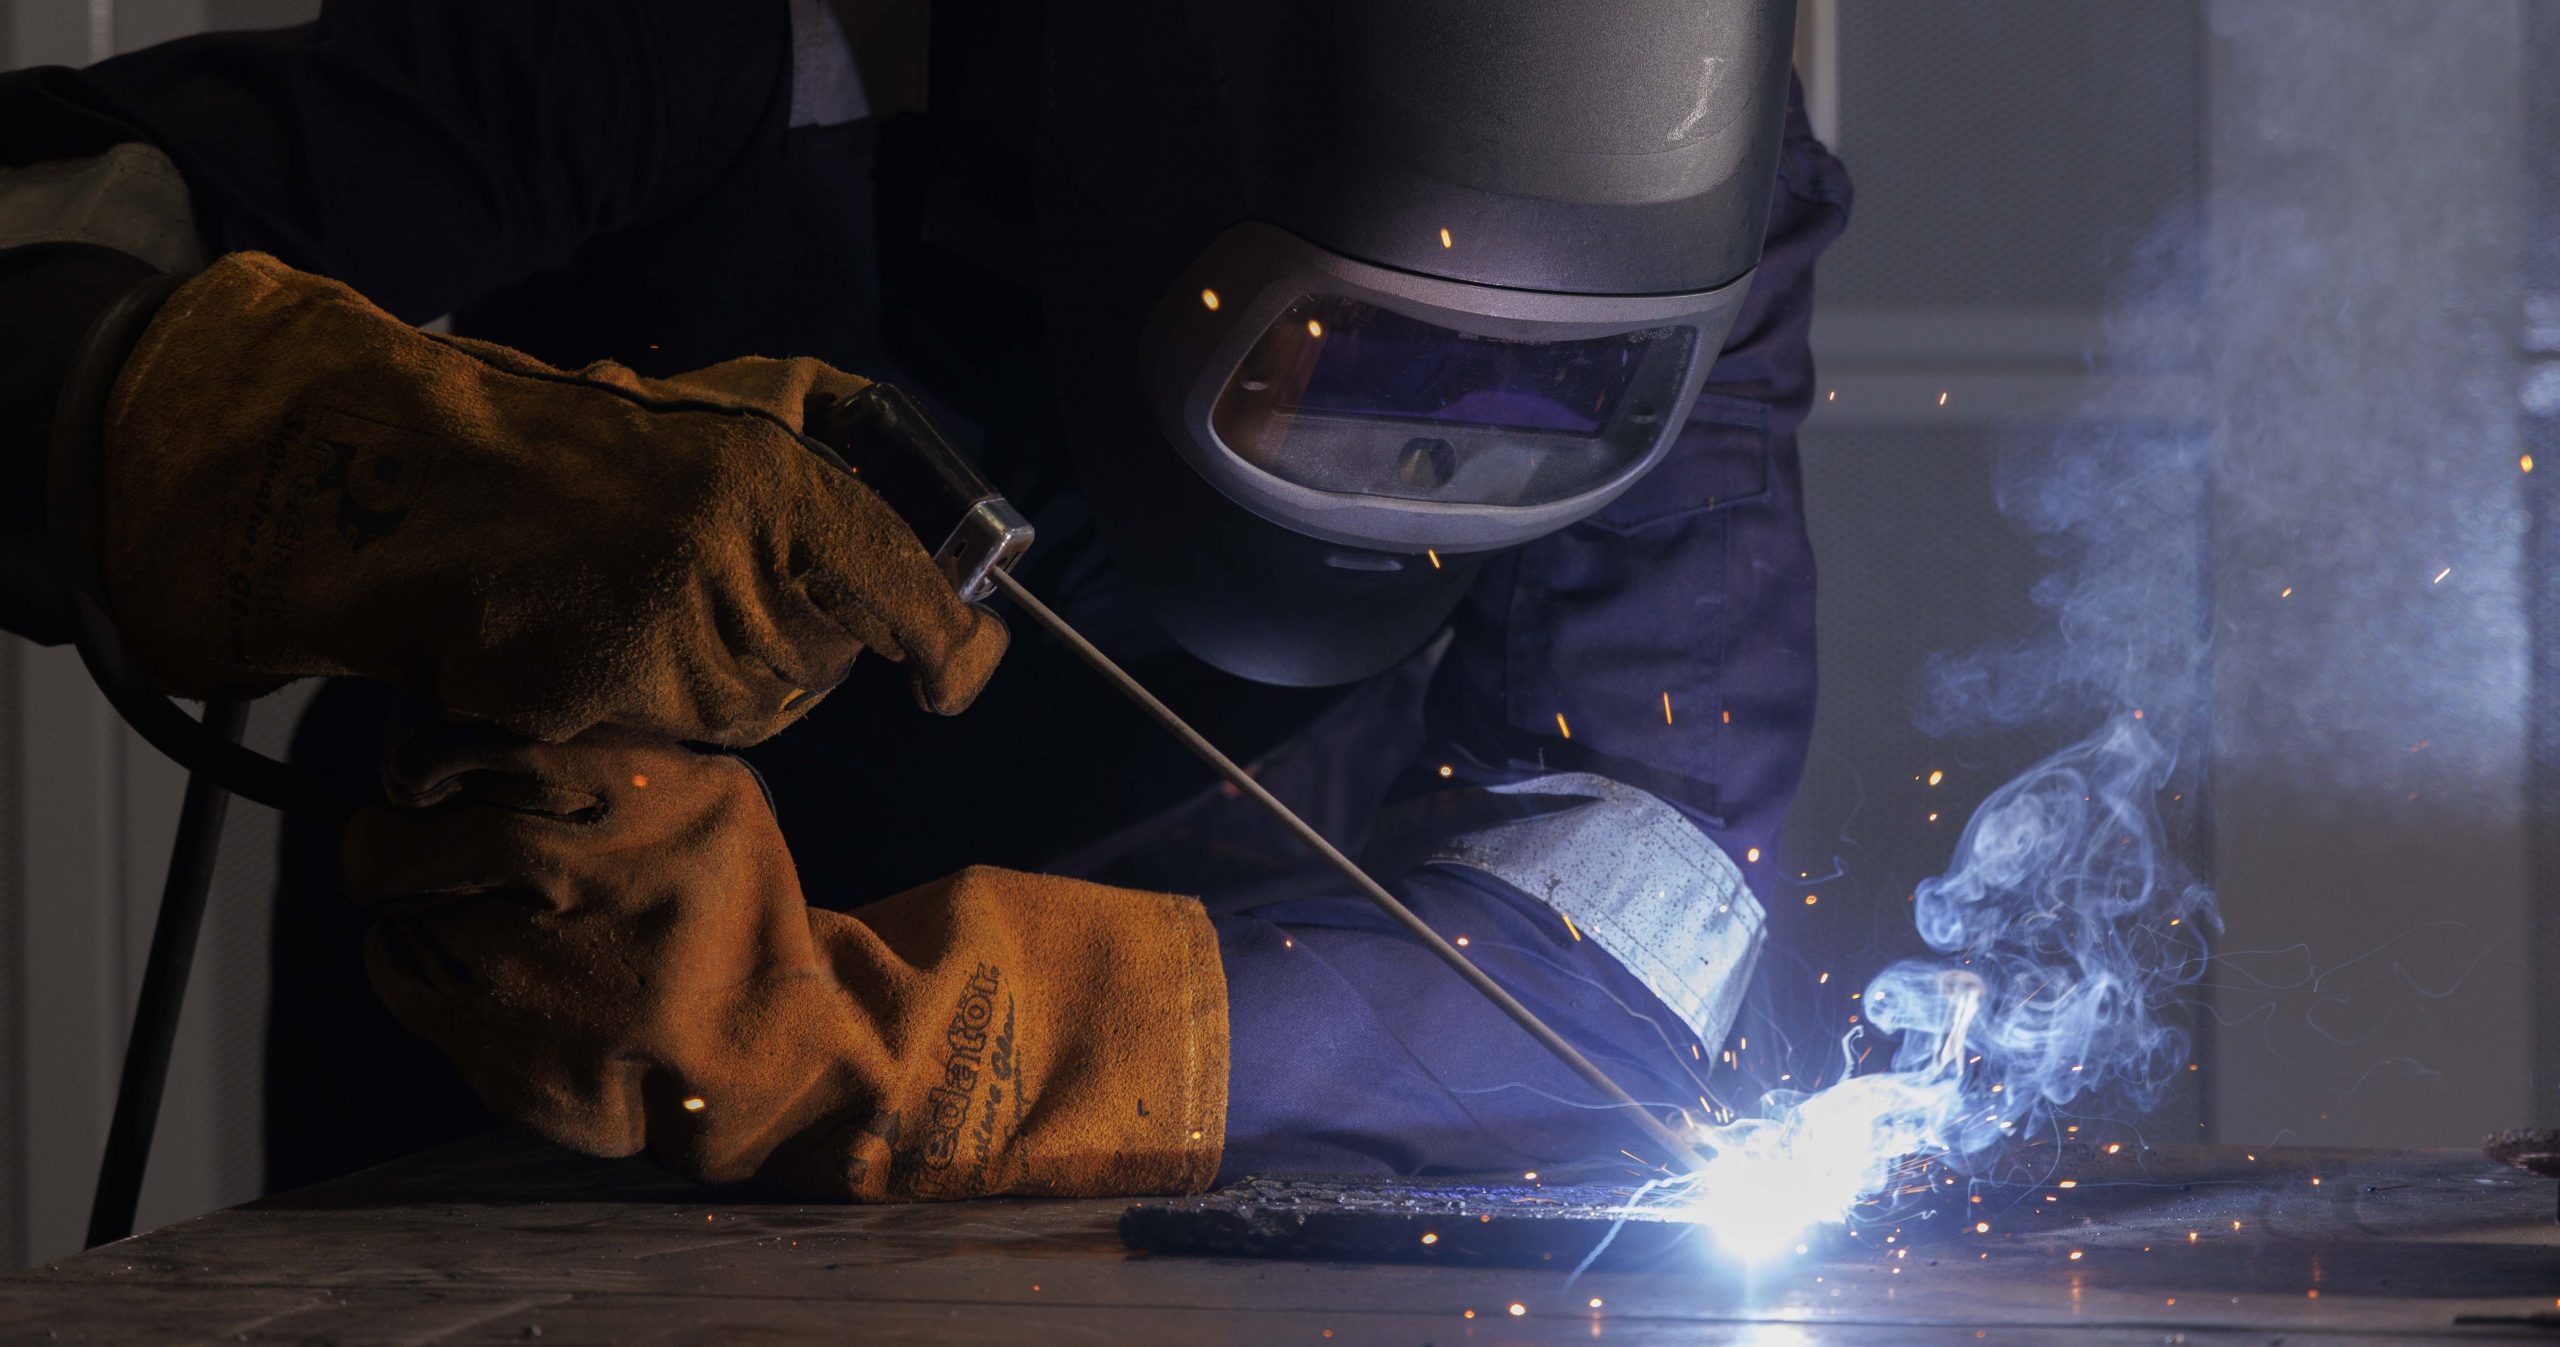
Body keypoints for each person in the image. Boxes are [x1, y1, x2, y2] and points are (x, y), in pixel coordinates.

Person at [0, 0, 1851, 1199]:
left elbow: (1641, 915)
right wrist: (369, 468)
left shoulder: (1703, 234)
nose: (1428, 463)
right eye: (1369, 347)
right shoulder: (733, 49)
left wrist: (956, 1042)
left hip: (1236, 1099)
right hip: (552, 1029)